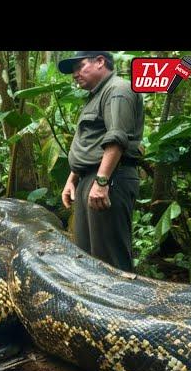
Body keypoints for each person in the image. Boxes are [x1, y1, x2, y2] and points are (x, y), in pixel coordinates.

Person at [58, 51, 144, 271]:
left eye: (80, 66)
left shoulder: (117, 89)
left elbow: (116, 138)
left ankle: (123, 304)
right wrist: (73, 178)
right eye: (73, 70)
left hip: (110, 178)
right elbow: (91, 142)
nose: (75, 74)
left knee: (110, 261)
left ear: (100, 61)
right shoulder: (96, 95)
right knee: (88, 258)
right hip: (92, 179)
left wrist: (102, 182)